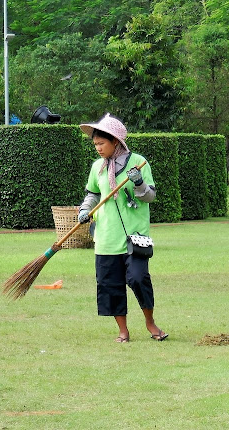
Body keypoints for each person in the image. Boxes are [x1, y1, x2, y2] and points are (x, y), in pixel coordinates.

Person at [77, 113, 167, 344]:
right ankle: (123, 331)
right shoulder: (97, 167)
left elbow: (150, 196)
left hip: (134, 237)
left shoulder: (138, 162)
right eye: (95, 144)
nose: (97, 148)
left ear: (115, 141)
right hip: (106, 237)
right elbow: (93, 194)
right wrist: (84, 211)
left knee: (138, 278)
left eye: (101, 143)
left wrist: (138, 182)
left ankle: (150, 322)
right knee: (110, 285)